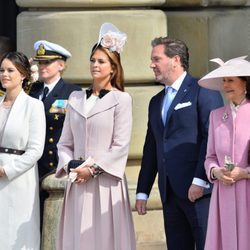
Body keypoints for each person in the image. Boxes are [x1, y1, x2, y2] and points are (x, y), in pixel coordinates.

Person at [135, 37, 224, 250]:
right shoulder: (156, 101)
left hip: (199, 191)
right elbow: (152, 148)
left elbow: (210, 137)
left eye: (156, 59)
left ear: (175, 60)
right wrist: (142, 191)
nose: (151, 65)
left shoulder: (203, 89)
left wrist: (200, 180)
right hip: (170, 193)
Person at [55, 23, 136, 250]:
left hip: (105, 184)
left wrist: (91, 169)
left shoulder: (122, 100)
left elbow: (120, 146)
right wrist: (71, 166)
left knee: (104, 240)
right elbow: (64, 143)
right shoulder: (75, 98)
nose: (95, 65)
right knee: (77, 240)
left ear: (113, 68)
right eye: (92, 60)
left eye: (101, 61)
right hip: (77, 183)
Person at [198, 56, 250, 250]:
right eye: (224, 81)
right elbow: (209, 156)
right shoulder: (216, 115)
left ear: (245, 83)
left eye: (231, 80)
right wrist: (215, 171)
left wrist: (244, 173)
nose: (225, 85)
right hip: (224, 194)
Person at [28, 40, 81, 228]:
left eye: (47, 63)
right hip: (31, 167)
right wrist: (23, 74)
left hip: (54, 166)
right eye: (40, 62)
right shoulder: (30, 90)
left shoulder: (72, 92)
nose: (42, 67)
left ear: (61, 65)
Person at [0, 51, 46, 249]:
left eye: (11, 70)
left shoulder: (33, 106)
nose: (4, 74)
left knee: (17, 233)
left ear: (23, 75)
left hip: (18, 179)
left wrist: (6, 170)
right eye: (2, 70)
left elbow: (35, 150)